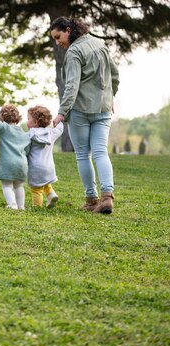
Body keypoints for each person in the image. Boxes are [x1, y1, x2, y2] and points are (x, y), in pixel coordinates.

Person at [50, 16, 120, 214]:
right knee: (100, 152)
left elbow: (71, 86)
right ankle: (107, 197)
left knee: (83, 155)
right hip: (104, 108)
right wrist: (110, 97)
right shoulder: (100, 44)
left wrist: (61, 113)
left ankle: (91, 200)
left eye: (58, 36)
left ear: (68, 30)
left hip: (81, 110)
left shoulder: (74, 52)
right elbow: (115, 75)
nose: (58, 42)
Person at [0, 103, 30, 210]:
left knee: (7, 186)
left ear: (2, 117)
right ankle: (21, 206)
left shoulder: (3, 128)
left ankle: (12, 205)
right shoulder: (24, 134)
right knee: (19, 186)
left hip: (7, 163)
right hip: (22, 164)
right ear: (17, 117)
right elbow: (27, 150)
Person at [26, 105, 63, 208]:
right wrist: (59, 120)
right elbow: (60, 129)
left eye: (28, 119)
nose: (26, 121)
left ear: (36, 122)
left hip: (35, 167)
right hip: (49, 166)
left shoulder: (29, 135)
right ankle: (51, 194)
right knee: (44, 181)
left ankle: (37, 207)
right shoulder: (51, 133)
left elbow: (24, 149)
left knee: (36, 189)